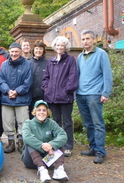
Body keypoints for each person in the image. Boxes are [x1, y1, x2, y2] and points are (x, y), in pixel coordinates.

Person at [76, 30, 113, 164]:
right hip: (81, 94)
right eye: (83, 39)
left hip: (94, 94)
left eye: (87, 39)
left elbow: (107, 74)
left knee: (98, 123)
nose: (85, 41)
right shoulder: (80, 56)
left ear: (93, 40)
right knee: (88, 124)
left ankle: (100, 151)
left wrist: (105, 93)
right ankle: (93, 147)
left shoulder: (101, 54)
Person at [41, 36, 78, 157]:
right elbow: (46, 77)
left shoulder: (70, 60)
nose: (59, 47)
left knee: (67, 122)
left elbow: (73, 76)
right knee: (55, 122)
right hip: (52, 97)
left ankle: (68, 146)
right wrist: (46, 88)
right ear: (55, 46)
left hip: (65, 97)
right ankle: (57, 144)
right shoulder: (50, 61)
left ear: (65, 47)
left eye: (62, 45)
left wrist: (66, 90)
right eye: (57, 45)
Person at [22, 100, 68, 182]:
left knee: (59, 142)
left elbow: (63, 135)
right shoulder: (28, 123)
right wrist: (43, 146)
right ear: (35, 112)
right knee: (30, 143)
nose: (41, 112)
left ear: (47, 112)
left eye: (44, 110)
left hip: (47, 160)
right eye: (39, 110)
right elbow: (27, 137)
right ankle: (42, 169)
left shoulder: (51, 123)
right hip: (31, 161)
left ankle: (58, 169)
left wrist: (51, 145)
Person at [0, 42, 33, 154]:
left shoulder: (28, 64)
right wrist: (8, 91)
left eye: (16, 51)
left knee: (23, 121)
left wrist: (17, 92)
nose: (14, 53)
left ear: (20, 52)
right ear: (9, 52)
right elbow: (1, 80)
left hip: (22, 99)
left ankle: (21, 141)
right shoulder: (4, 64)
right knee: (7, 121)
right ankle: (11, 142)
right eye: (12, 51)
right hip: (6, 98)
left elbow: (28, 82)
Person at [29, 40, 48, 119]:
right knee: (32, 119)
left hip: (44, 96)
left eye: (40, 49)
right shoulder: (28, 63)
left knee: (44, 118)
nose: (38, 51)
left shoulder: (48, 63)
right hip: (31, 97)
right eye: (37, 48)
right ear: (33, 50)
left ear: (43, 50)